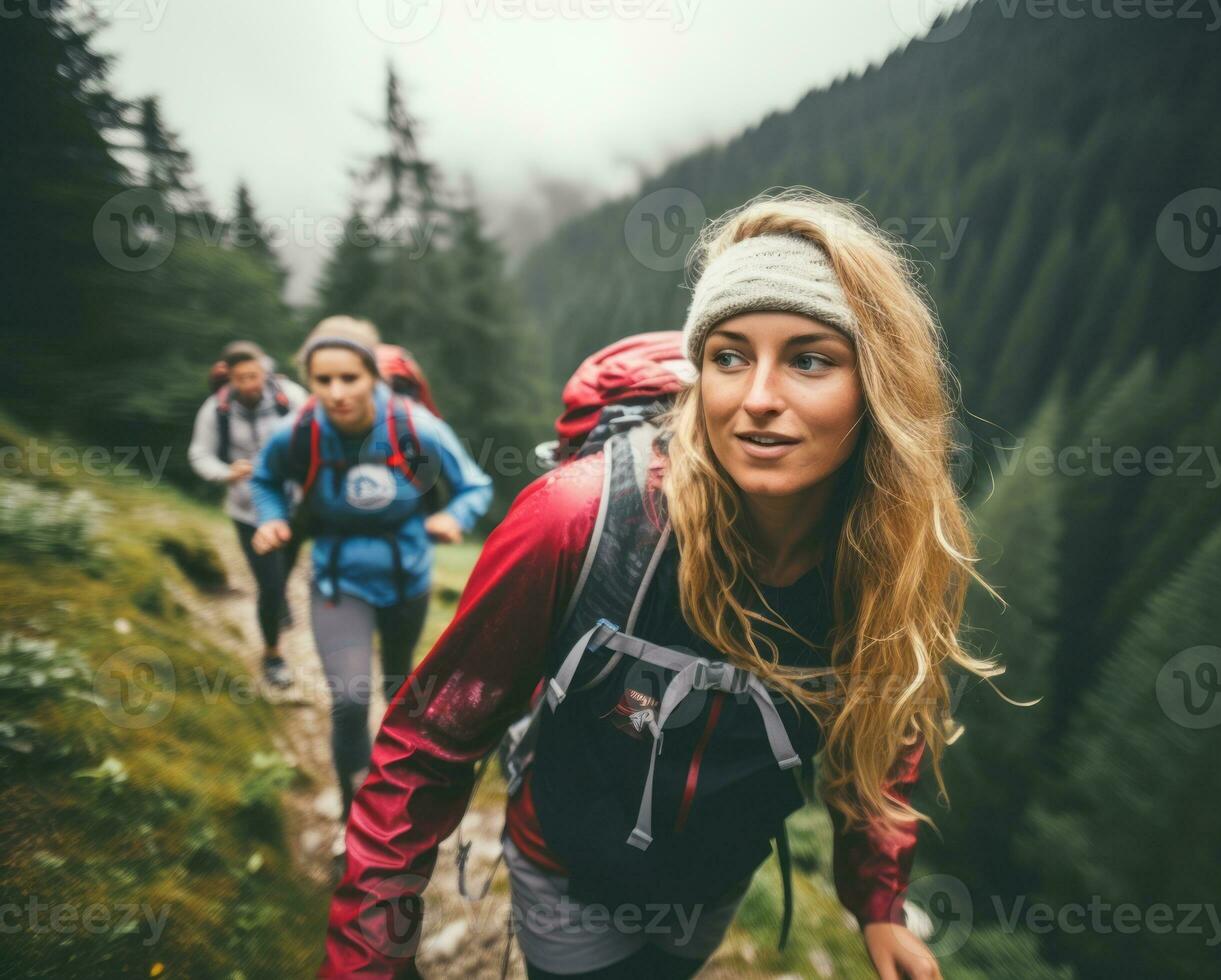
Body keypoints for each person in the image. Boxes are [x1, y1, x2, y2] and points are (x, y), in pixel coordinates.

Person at [316, 189, 1006, 979]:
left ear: (877, 385)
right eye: (728, 356)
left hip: (712, 889)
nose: (756, 399)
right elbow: (427, 743)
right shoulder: (578, 519)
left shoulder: (887, 559)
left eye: (810, 359)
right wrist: (370, 955)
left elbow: (880, 739)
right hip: (564, 874)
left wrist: (876, 901)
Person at [249, 316, 494, 845]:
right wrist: (270, 518)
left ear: (373, 375)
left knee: (397, 687)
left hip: (408, 580)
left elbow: (474, 483)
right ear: (309, 381)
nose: (336, 393)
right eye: (323, 380)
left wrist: (455, 518)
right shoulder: (303, 431)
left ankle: (397, 786)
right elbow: (265, 479)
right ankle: (353, 815)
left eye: (350, 378)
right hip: (338, 584)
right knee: (350, 698)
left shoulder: (413, 428)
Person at [188, 340, 308, 688]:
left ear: (265, 372)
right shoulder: (217, 410)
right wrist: (226, 472)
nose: (249, 384)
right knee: (269, 585)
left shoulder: (290, 398)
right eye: (240, 378)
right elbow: (199, 454)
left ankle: (281, 596)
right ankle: (273, 655)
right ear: (229, 378)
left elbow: (317, 432)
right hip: (246, 512)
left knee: (283, 573)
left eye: (254, 375)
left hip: (293, 508)